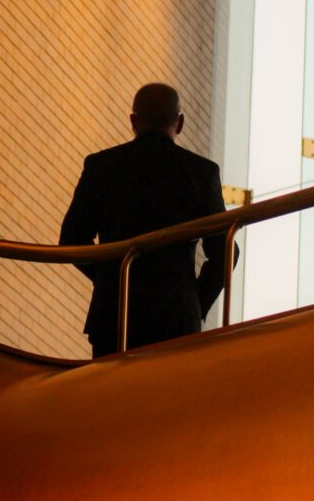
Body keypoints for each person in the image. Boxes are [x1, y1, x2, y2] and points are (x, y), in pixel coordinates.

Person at [60, 83, 237, 358]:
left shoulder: (102, 166)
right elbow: (226, 250)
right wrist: (195, 301)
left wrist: (112, 276)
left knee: (112, 397)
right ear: (180, 123)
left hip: (116, 315)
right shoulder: (201, 173)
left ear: (133, 121)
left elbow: (72, 240)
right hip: (176, 317)